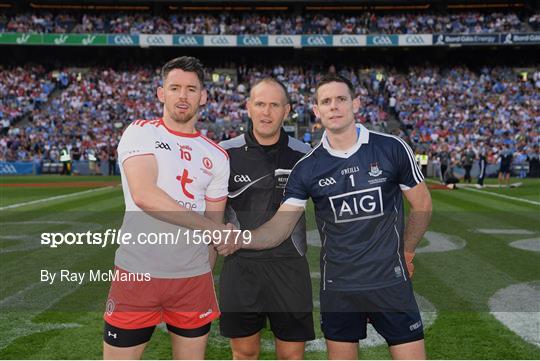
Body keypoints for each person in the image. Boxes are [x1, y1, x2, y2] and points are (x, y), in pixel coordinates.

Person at [216, 74, 432, 360]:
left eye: (341, 99)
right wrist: (238, 238)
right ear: (316, 110)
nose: (334, 106)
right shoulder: (307, 167)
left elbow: (423, 205)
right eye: (326, 101)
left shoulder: (391, 147)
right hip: (338, 287)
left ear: (355, 103)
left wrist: (406, 250)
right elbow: (280, 227)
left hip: (388, 282)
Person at [103, 56, 230, 360]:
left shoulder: (217, 155)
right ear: (161, 93)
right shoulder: (141, 132)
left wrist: (206, 265)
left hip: (192, 281)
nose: (182, 96)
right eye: (174, 87)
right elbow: (144, 195)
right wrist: (214, 230)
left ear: (204, 96)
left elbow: (215, 224)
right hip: (137, 275)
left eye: (191, 89)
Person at [219, 78, 314, 360]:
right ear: (248, 107)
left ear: (287, 111)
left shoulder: (305, 155)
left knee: (291, 356)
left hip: (290, 266)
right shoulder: (224, 152)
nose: (266, 112)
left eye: (274, 105)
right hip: (240, 266)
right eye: (260, 104)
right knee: (244, 353)